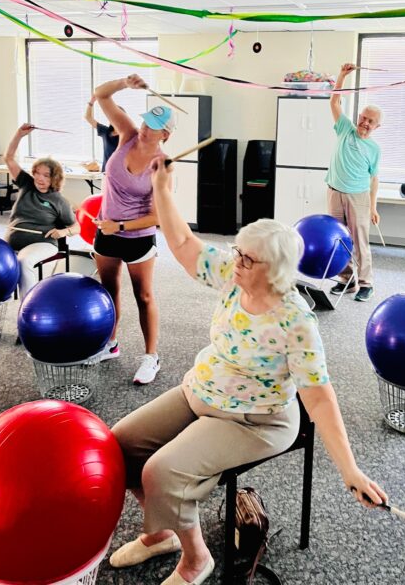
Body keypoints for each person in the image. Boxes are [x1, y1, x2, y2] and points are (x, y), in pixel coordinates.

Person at [108, 158, 388, 585]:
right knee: (120, 445)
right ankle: (163, 531)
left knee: (161, 470)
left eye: (247, 258)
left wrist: (350, 470)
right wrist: (162, 187)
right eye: (237, 250)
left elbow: (318, 396)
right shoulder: (232, 274)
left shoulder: (296, 321)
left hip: (256, 418)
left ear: (275, 271)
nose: (235, 261)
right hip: (202, 388)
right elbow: (183, 243)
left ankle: (195, 559)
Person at [93, 74, 175, 385]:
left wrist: (122, 225)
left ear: (164, 133)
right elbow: (101, 95)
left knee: (144, 296)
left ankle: (150, 357)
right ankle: (110, 344)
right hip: (107, 232)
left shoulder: (162, 166)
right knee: (109, 290)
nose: (143, 127)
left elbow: (158, 217)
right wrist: (125, 83)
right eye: (144, 121)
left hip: (137, 236)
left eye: (152, 126)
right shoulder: (127, 135)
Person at [3, 123, 80, 298]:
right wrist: (19, 135)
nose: (39, 178)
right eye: (37, 173)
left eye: (46, 175)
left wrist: (63, 232)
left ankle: (28, 304)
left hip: (43, 244)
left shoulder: (58, 200)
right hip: (11, 240)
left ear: (55, 178)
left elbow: (77, 227)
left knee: (23, 261)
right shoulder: (26, 184)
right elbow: (8, 158)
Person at [326, 62, 382, 302]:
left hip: (358, 196)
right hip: (334, 192)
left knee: (360, 241)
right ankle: (346, 279)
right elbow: (334, 102)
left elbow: (374, 178)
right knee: (339, 239)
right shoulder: (345, 129)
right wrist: (342, 76)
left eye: (371, 122)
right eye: (364, 118)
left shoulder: (374, 148)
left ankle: (366, 283)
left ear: (377, 126)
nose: (366, 124)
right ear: (359, 117)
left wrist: (373, 207)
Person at [84, 94, 123, 172]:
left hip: (121, 173)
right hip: (106, 172)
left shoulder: (128, 135)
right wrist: (91, 102)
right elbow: (88, 117)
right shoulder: (106, 132)